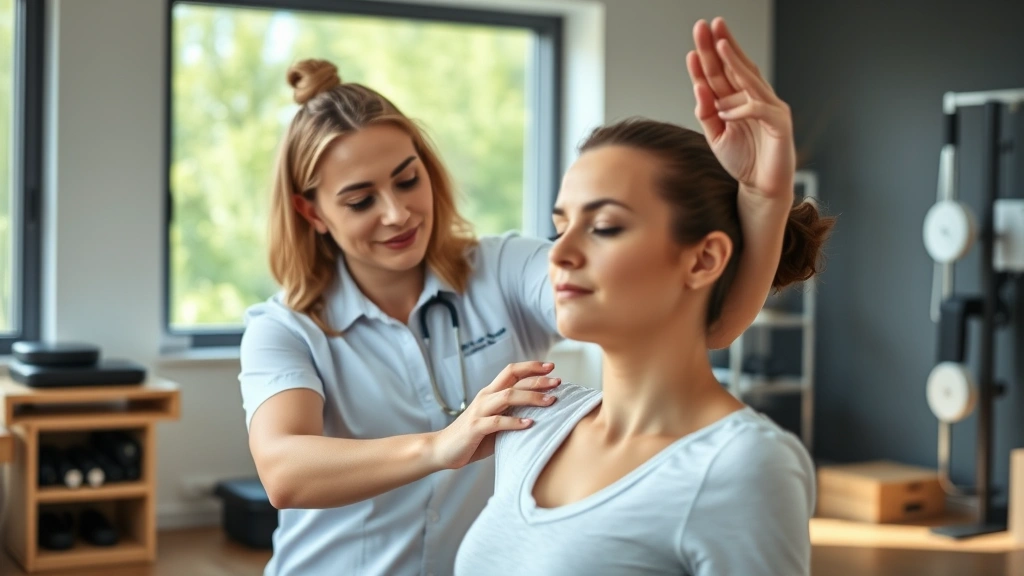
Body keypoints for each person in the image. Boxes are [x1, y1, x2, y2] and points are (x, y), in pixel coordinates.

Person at [239, 17, 796, 576]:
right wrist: (443, 445)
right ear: (312, 212)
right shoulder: (284, 328)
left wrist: (763, 197)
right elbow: (285, 472)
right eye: (361, 200)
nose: (397, 212)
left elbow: (693, 321)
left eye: (408, 180)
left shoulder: (501, 268)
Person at [453, 19, 835, 576]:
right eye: (560, 226)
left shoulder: (742, 465)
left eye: (604, 227)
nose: (558, 254)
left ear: (703, 259)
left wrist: (765, 198)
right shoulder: (536, 421)